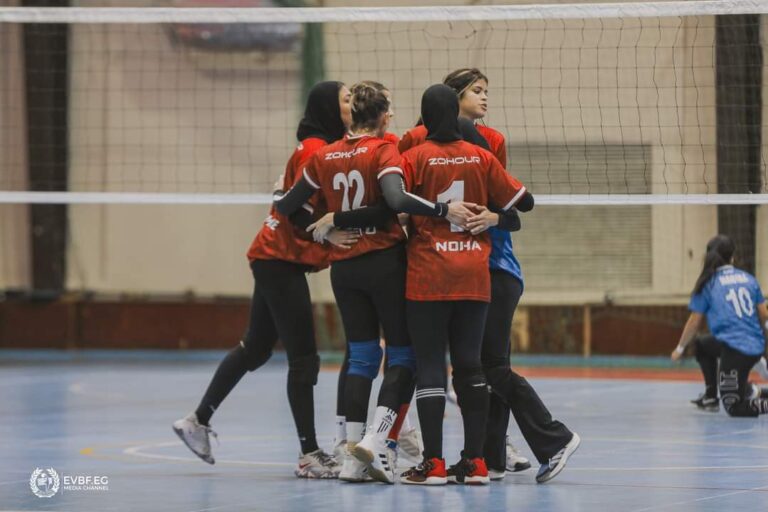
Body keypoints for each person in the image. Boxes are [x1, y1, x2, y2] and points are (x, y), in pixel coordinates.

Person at [275, 81, 473, 484]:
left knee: (362, 357)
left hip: (345, 269)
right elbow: (394, 202)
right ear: (382, 115)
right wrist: (442, 209)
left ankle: (352, 457)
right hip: (384, 263)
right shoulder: (384, 150)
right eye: (390, 110)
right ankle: (376, 441)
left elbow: (286, 205)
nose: (392, 116)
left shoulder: (326, 154)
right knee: (403, 356)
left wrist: (324, 231)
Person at [172, 81, 357, 479]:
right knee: (304, 359)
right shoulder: (314, 149)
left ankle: (196, 421)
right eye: (346, 99)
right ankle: (309, 454)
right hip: (279, 260)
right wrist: (328, 232)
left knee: (256, 349)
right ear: (328, 107)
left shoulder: (326, 146)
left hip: (275, 257)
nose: (353, 104)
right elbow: (293, 209)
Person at [405, 68, 580, 483]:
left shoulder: (485, 144)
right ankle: (490, 458)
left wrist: (494, 216)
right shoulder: (423, 144)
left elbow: (514, 212)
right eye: (477, 91)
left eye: (487, 91)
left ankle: (553, 439)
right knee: (481, 368)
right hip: (473, 271)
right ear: (453, 99)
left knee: (488, 367)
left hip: (491, 269)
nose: (485, 98)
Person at [386, 84, 532, 485]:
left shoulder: (413, 156)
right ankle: (476, 462)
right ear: (456, 113)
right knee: (470, 366)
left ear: (425, 117)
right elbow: (525, 203)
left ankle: (433, 463)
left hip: (428, 275)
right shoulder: (483, 156)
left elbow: (393, 202)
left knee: (431, 366)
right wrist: (493, 215)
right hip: (473, 275)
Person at [671, 235, 768, 417]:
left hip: (736, 349)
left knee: (734, 407)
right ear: (733, 257)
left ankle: (747, 389)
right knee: (702, 345)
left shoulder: (707, 283)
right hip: (752, 344)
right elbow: (764, 316)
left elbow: (694, 321)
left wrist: (680, 348)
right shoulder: (749, 279)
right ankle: (711, 397)